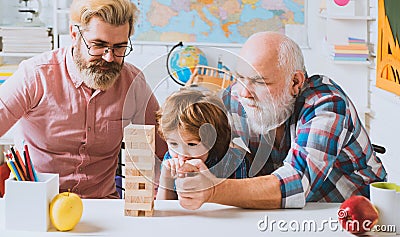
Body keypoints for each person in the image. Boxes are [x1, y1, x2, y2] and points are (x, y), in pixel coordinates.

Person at [174, 31, 387, 210]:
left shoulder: (327, 103)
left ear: (295, 82)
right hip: (284, 218)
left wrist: (212, 190)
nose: (244, 92)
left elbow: (296, 183)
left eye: (259, 82)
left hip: (355, 215)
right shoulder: (235, 98)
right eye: (240, 78)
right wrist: (185, 157)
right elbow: (196, 136)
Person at [0, 0, 167, 198]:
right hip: (37, 204)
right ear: (74, 34)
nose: (109, 58)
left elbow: (164, 149)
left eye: (119, 47)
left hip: (103, 205)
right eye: (98, 45)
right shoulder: (35, 76)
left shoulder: (133, 83)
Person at [156, 88, 248, 201]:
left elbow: (240, 204)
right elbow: (164, 210)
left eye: (192, 144)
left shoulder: (233, 161)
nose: (182, 154)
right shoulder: (170, 159)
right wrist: (166, 179)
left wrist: (209, 181)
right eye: (173, 144)